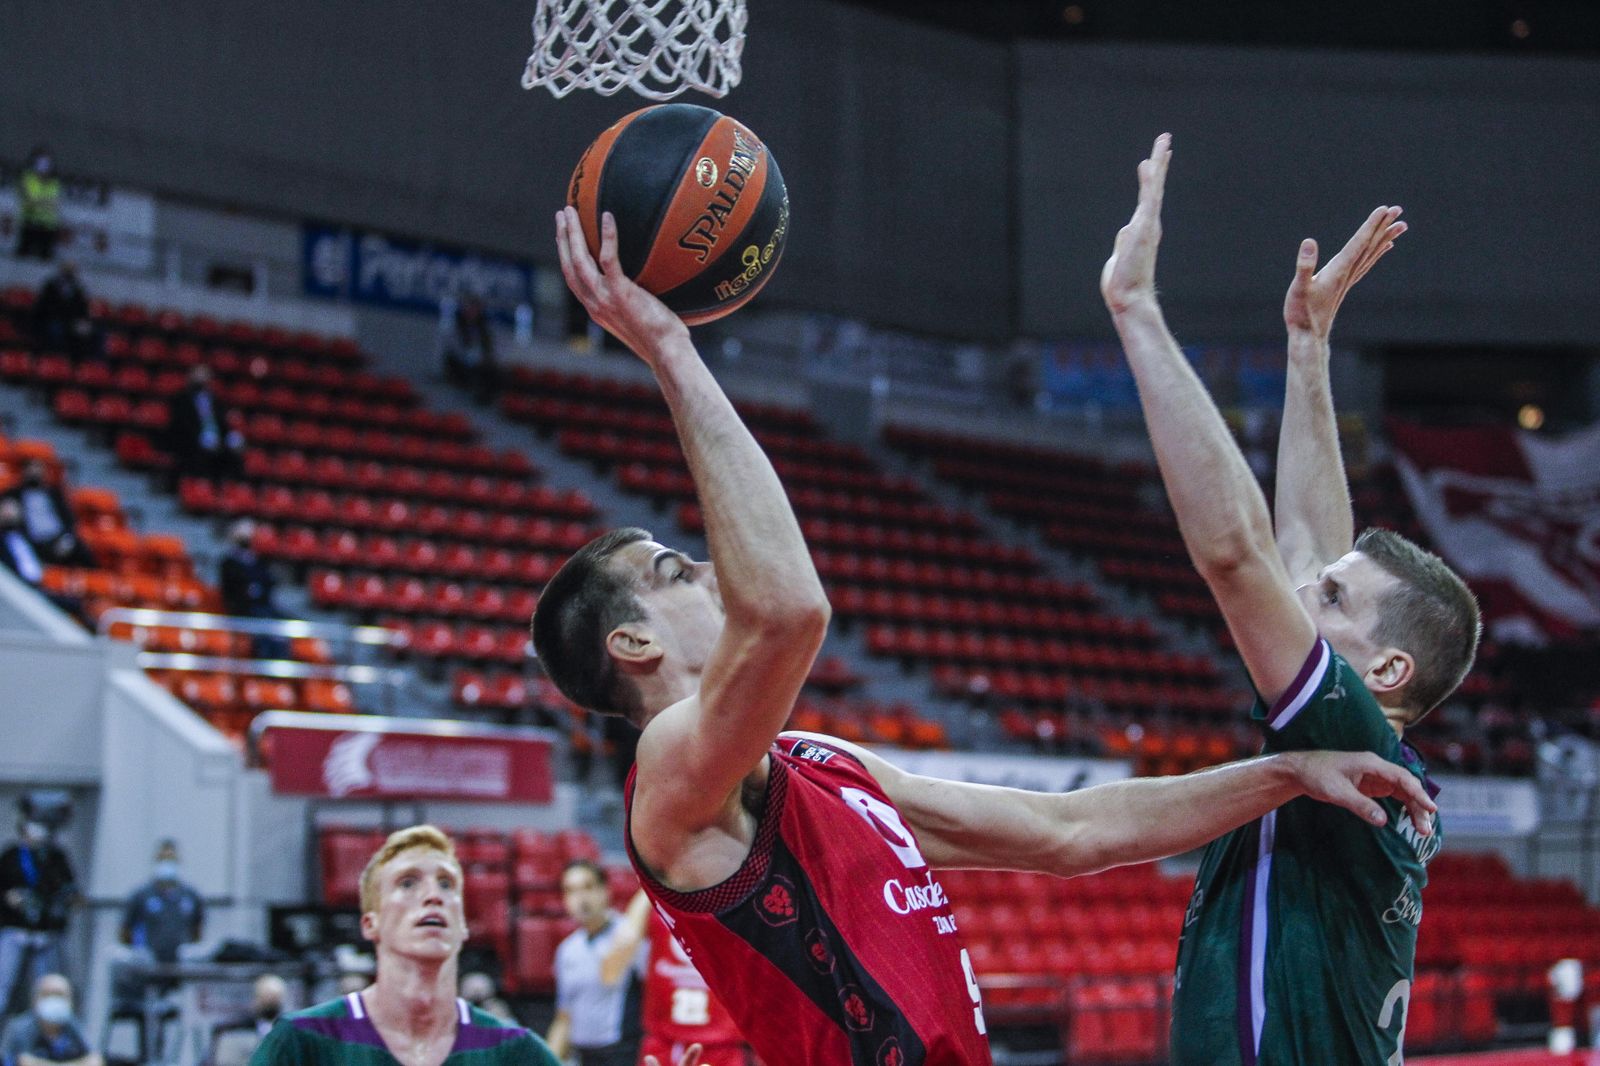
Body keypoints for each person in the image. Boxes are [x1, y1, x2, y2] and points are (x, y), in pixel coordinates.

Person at [532, 206, 1439, 1066]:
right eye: (671, 573)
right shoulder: (669, 778)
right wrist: (672, 350)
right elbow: (788, 612)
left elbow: (1068, 830)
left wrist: (1284, 773)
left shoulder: (822, 762)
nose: (701, 567)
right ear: (634, 646)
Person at [1098, 135, 1481, 1066]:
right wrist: (1308, 350)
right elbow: (1309, 550)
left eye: (1335, 599)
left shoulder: (1356, 749)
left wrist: (1137, 311)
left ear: (1386, 670)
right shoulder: (1364, 761)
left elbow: (1236, 555)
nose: (1302, 587)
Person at [249, 825, 559, 1066]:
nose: (433, 896)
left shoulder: (515, 1051)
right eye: (408, 883)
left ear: (463, 925)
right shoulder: (302, 1041)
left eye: (446, 884)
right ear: (371, 924)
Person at [545, 861, 646, 1066]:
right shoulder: (567, 950)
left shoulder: (630, 937)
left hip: (623, 1053)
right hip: (583, 1056)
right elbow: (564, 1017)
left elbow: (611, 974)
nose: (580, 898)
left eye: (588, 887)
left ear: (605, 891)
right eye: (571, 891)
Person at [638, 903, 753, 1066]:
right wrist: (646, 887)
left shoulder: (737, 910)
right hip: (664, 1040)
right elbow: (619, 951)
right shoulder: (656, 910)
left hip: (722, 1042)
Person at [0, 812, 77, 1017]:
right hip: (14, 930)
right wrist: (9, 898)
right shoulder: (11, 855)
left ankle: (41, 1038)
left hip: (45, 933)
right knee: (3, 989)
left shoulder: (55, 857)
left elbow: (69, 890)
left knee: (46, 988)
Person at [120, 839, 204, 962]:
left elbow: (197, 929)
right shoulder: (141, 895)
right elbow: (126, 930)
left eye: (171, 859)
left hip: (181, 961)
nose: (167, 863)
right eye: (163, 859)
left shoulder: (190, 896)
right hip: (148, 959)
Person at [219, 518, 288, 658]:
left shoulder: (259, 561)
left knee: (282, 623)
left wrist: (256, 590)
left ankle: (280, 663)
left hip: (263, 605)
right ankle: (263, 661)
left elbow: (267, 582)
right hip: (242, 607)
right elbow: (231, 589)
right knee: (262, 625)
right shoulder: (229, 562)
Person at [0, 974, 102, 1066]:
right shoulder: (21, 1027)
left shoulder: (71, 1024)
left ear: (70, 1001)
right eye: (47, 995)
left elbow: (95, 1060)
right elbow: (25, 1062)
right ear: (35, 1000)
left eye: (59, 995)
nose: (53, 1000)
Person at [167, 366, 245, 482]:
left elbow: (222, 421)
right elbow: (181, 423)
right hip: (192, 439)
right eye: (199, 376)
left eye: (205, 376)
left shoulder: (214, 399)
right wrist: (201, 436)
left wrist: (230, 434)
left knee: (236, 443)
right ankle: (202, 482)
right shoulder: (181, 398)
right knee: (204, 448)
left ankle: (232, 484)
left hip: (216, 437)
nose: (203, 380)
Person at [8, 461, 91, 567]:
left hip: (59, 538)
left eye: (37, 468)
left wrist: (66, 538)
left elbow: (68, 518)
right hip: (34, 540)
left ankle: (98, 578)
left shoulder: (53, 493)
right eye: (31, 468)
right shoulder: (14, 494)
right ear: (25, 471)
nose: (34, 472)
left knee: (79, 547)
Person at [209, 974, 289, 1066]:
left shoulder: (289, 1031)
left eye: (274, 999)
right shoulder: (233, 1031)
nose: (270, 1002)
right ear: (256, 999)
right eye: (265, 998)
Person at [31, 262, 100, 364]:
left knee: (94, 332)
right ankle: (53, 360)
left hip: (72, 321)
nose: (70, 273)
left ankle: (87, 363)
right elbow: (43, 305)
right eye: (68, 270)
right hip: (52, 319)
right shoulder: (51, 286)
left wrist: (84, 321)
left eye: (72, 271)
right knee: (56, 330)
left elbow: (83, 307)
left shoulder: (78, 289)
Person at [440, 296, 498, 406]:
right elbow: (454, 350)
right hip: (460, 364)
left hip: (478, 364)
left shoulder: (484, 330)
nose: (473, 312)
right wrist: (474, 360)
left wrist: (484, 359)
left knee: (493, 371)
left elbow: (489, 351)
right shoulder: (454, 327)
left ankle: (486, 396)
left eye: (476, 309)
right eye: (470, 308)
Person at [15, 147, 62, 262]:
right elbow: (28, 200)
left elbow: (55, 203)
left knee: (45, 258)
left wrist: (38, 201)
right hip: (29, 222)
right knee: (23, 256)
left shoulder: (54, 182)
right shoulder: (27, 178)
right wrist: (43, 202)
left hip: (48, 226)